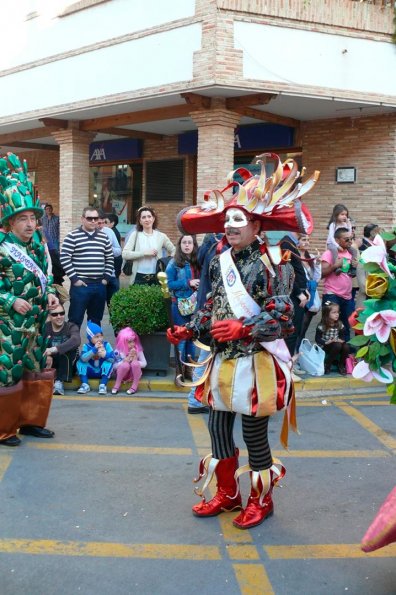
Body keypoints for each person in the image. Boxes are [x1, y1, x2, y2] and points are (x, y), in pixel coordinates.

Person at [167, 152, 319, 529]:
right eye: (226, 220)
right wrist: (192, 328)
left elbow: (283, 315)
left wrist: (244, 328)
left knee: (253, 434)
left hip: (257, 360)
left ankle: (261, 500)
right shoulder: (219, 261)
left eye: (238, 220)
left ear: (255, 225)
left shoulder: (276, 260)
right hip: (222, 361)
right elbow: (212, 308)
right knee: (217, 427)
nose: (230, 226)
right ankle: (228, 494)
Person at [0, 152, 60, 447]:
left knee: (36, 370)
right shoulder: (2, 249)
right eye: (22, 218)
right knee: (7, 373)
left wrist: (49, 294)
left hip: (36, 323)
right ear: (10, 223)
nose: (29, 223)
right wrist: (10, 300)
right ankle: (4, 429)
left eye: (33, 218)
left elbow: (44, 278)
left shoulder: (36, 248)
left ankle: (32, 422)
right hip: (9, 326)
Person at [186, 232, 224, 414]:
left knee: (206, 356)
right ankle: (196, 398)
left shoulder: (210, 242)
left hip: (206, 308)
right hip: (214, 311)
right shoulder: (220, 246)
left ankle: (197, 398)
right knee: (206, 356)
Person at [60, 207, 114, 327]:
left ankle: (94, 346)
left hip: (99, 285)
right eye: (90, 218)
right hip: (81, 285)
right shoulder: (72, 236)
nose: (93, 221)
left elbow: (110, 258)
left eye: (96, 218)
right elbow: (64, 258)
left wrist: (106, 278)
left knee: (95, 320)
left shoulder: (103, 237)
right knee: (75, 319)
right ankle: (72, 346)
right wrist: (75, 279)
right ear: (82, 219)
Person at [165, 235, 200, 380]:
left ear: (194, 245)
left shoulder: (197, 262)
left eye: (189, 242)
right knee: (181, 338)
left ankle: (189, 370)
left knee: (191, 338)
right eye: (184, 242)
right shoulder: (174, 263)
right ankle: (179, 372)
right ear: (180, 245)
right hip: (179, 304)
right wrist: (188, 283)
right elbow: (169, 284)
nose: (187, 245)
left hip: (195, 304)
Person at [321, 227, 358, 342]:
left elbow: (349, 275)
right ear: (337, 240)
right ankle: (329, 354)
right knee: (330, 324)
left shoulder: (350, 253)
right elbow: (322, 273)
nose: (350, 241)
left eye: (351, 239)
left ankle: (345, 353)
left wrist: (354, 267)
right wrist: (335, 265)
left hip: (347, 296)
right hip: (332, 294)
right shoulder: (329, 253)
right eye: (347, 239)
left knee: (346, 325)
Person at [122, 206, 175, 285]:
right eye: (143, 217)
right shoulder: (135, 235)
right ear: (140, 221)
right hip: (138, 277)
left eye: (149, 216)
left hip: (157, 277)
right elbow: (125, 254)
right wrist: (143, 253)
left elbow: (174, 250)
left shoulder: (161, 236)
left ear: (153, 219)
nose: (147, 219)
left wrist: (168, 263)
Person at [294, 233, 321, 355]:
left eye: (308, 240)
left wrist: (318, 264)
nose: (306, 242)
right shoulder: (293, 257)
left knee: (304, 328)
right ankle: (293, 354)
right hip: (299, 294)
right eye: (303, 239)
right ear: (297, 241)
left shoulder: (311, 257)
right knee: (297, 327)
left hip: (310, 293)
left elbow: (316, 278)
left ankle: (299, 354)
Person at [44, 306, 81, 396]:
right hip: (50, 362)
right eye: (55, 314)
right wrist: (46, 355)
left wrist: (54, 349)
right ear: (49, 316)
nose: (59, 316)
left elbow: (76, 340)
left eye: (62, 313)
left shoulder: (71, 326)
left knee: (67, 350)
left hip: (68, 365)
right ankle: (46, 379)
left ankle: (59, 382)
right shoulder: (45, 327)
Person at [76, 322, 115, 395]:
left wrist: (105, 355)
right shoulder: (86, 346)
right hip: (90, 370)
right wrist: (93, 350)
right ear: (90, 338)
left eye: (101, 336)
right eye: (96, 337)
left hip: (101, 371)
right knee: (80, 362)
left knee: (109, 363)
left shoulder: (106, 344)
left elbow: (113, 359)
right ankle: (85, 384)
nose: (99, 339)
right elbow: (83, 359)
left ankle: (103, 385)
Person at [315, 301, 350, 375]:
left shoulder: (339, 324)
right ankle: (327, 364)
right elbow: (317, 339)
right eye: (334, 312)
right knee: (337, 345)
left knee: (346, 346)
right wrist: (326, 342)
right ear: (327, 314)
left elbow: (342, 336)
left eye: (338, 312)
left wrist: (341, 340)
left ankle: (341, 365)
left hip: (336, 344)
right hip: (325, 345)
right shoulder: (322, 325)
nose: (337, 314)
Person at [111, 327, 147, 395]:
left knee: (135, 364)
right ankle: (117, 385)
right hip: (122, 374)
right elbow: (113, 366)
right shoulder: (118, 351)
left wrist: (135, 360)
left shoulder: (138, 350)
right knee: (125, 365)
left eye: (133, 341)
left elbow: (144, 364)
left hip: (133, 374)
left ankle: (134, 385)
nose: (132, 344)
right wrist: (124, 361)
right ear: (122, 342)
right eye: (129, 342)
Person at [97, 212, 122, 308]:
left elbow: (119, 251)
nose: (101, 226)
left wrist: (107, 248)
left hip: (111, 274)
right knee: (97, 307)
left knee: (114, 306)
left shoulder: (109, 231)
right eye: (99, 223)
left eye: (104, 222)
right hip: (96, 277)